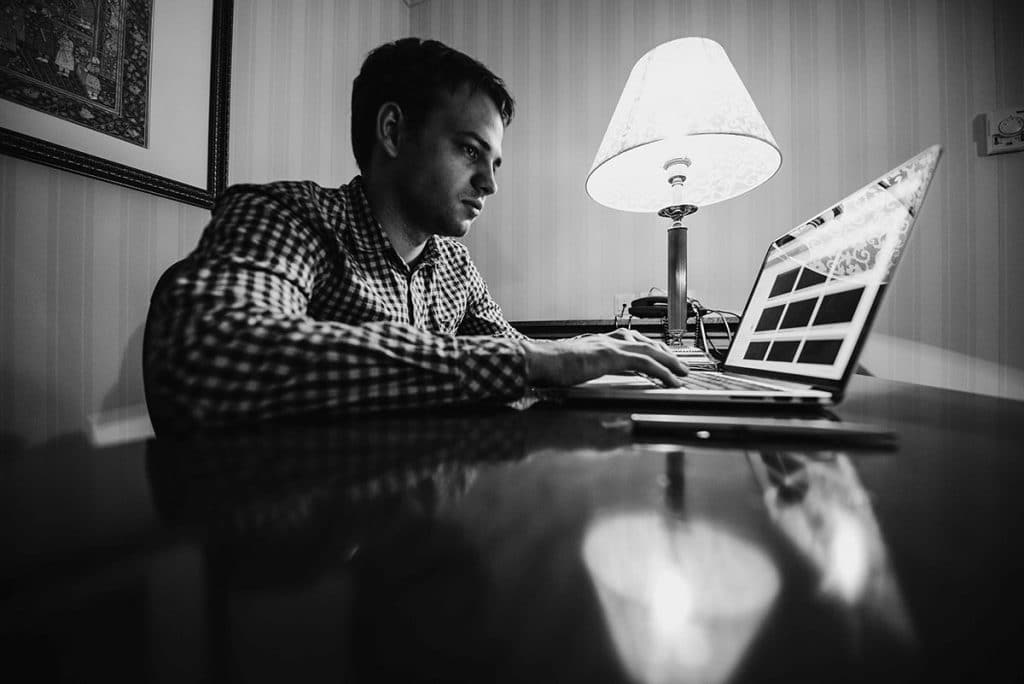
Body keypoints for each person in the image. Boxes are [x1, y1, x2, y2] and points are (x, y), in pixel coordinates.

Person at [143, 37, 687, 432]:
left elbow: (514, 355)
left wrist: (590, 358)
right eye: (471, 151)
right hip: (304, 551)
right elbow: (212, 352)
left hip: (420, 519)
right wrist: (535, 362)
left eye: (495, 162)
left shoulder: (454, 263)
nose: (490, 184)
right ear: (394, 132)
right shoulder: (287, 215)